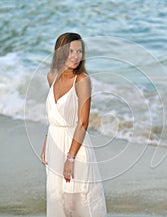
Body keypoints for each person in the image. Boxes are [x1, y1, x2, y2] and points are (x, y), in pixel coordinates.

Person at [41, 32, 107, 217]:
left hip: (75, 147)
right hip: (55, 145)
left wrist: (70, 159)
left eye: (79, 51)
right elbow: (55, 115)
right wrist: (47, 143)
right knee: (58, 200)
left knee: (78, 204)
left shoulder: (82, 80)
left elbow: (83, 123)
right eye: (71, 51)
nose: (75, 56)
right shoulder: (52, 76)